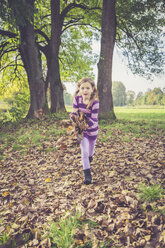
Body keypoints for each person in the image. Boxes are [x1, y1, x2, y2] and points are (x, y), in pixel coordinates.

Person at [70, 77, 99, 185]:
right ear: (79, 89)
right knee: (84, 152)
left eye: (87, 88)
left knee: (90, 152)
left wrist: (84, 122)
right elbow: (73, 113)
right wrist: (74, 118)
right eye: (82, 88)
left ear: (92, 89)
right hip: (81, 131)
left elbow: (94, 119)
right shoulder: (77, 100)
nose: (85, 90)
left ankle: (90, 157)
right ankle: (87, 175)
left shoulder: (95, 103)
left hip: (92, 130)